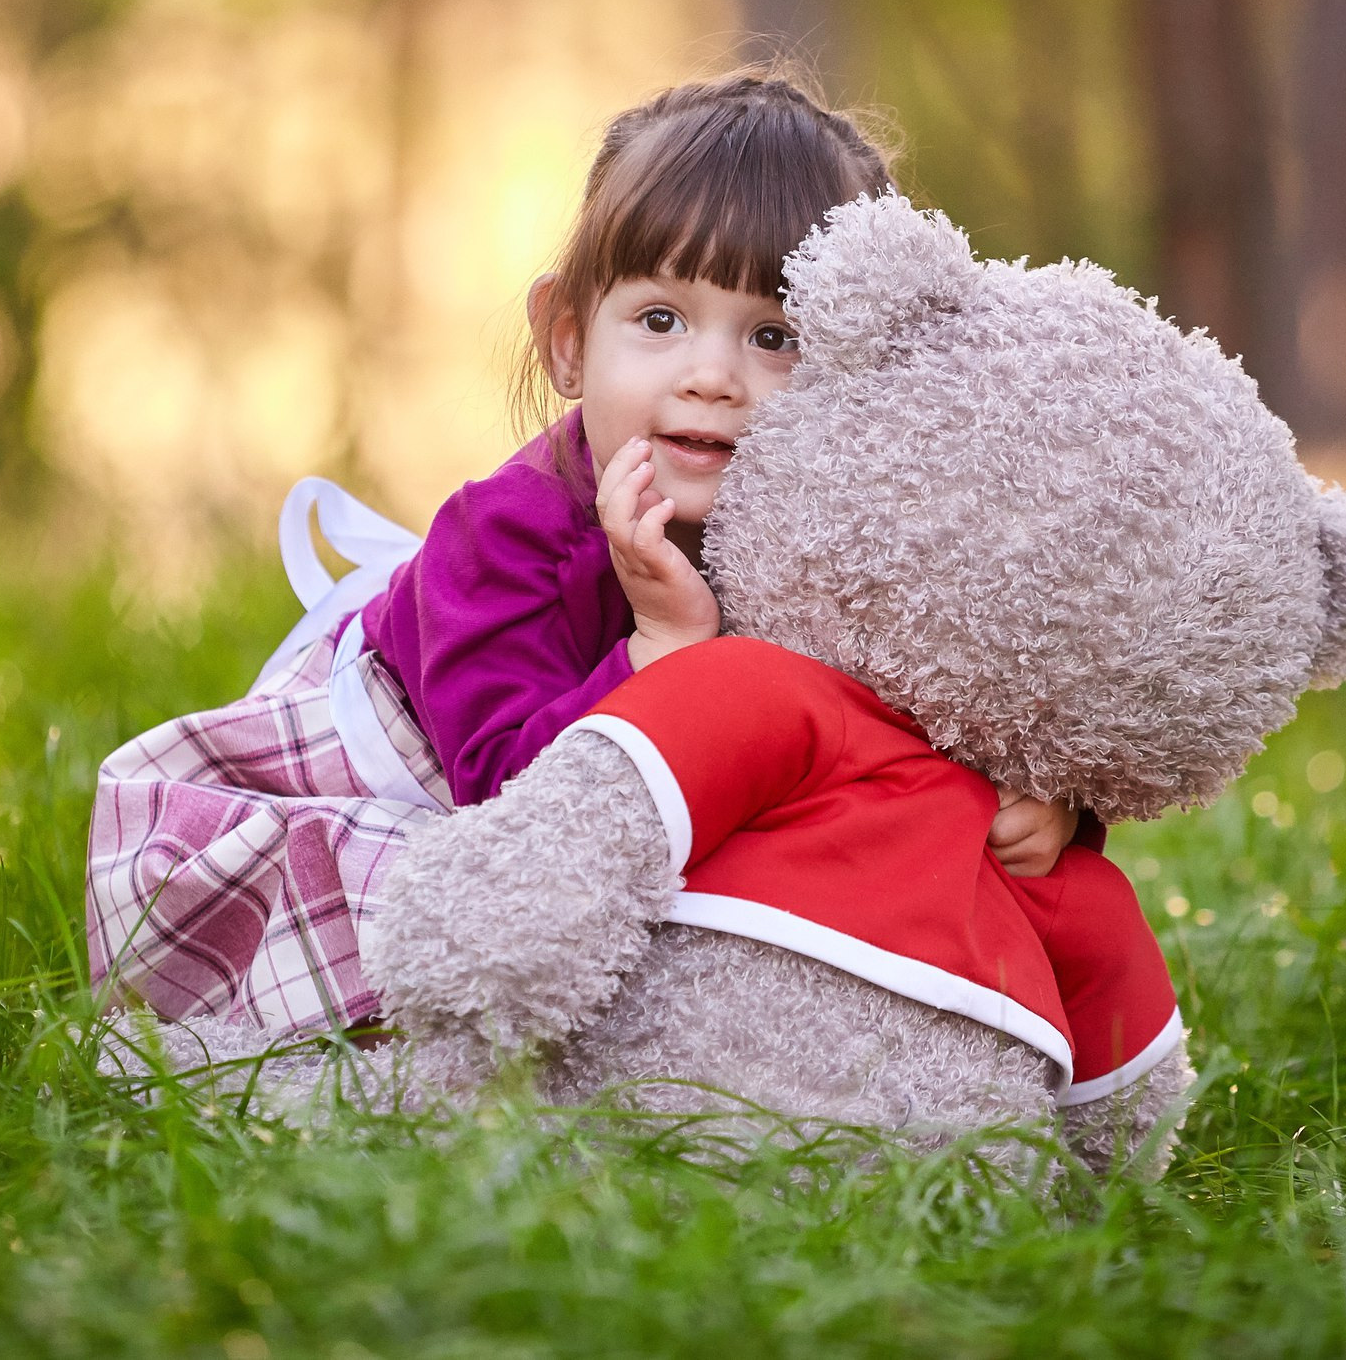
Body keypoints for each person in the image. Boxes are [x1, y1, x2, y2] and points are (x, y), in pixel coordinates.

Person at [87, 70, 1079, 1036]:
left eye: (774, 336)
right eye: (659, 320)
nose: (711, 376)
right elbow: (512, 803)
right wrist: (657, 651)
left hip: (633, 845)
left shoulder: (862, 539)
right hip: (441, 816)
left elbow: (945, 695)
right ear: (567, 341)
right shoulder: (500, 540)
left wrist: (1044, 801)